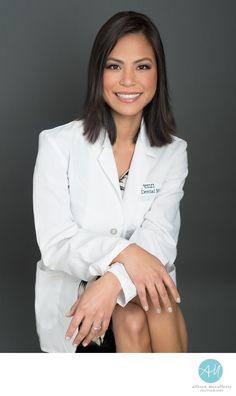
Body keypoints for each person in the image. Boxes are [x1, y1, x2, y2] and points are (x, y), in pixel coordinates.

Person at [33, 10, 189, 353]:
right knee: (141, 313)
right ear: (98, 73)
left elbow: (160, 238)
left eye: (143, 66)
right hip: (78, 313)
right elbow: (57, 242)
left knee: (148, 310)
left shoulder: (173, 152)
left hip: (140, 300)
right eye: (114, 66)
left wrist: (112, 283)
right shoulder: (58, 144)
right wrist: (127, 253)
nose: (128, 81)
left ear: (158, 74)